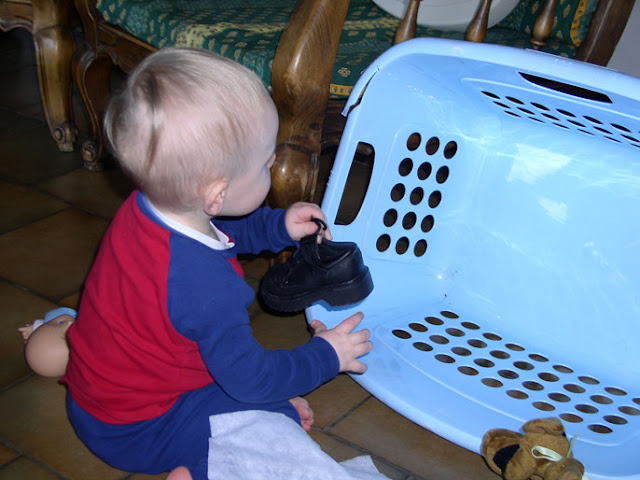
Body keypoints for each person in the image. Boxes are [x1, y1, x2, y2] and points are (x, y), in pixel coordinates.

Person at [60, 47, 372, 480]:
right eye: (266, 164)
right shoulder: (208, 289)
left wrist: (276, 226)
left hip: (100, 400)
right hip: (143, 429)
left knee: (269, 404)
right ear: (216, 194)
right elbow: (253, 380)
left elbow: (219, 234)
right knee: (268, 440)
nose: (272, 168)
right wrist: (326, 355)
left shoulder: (145, 208)